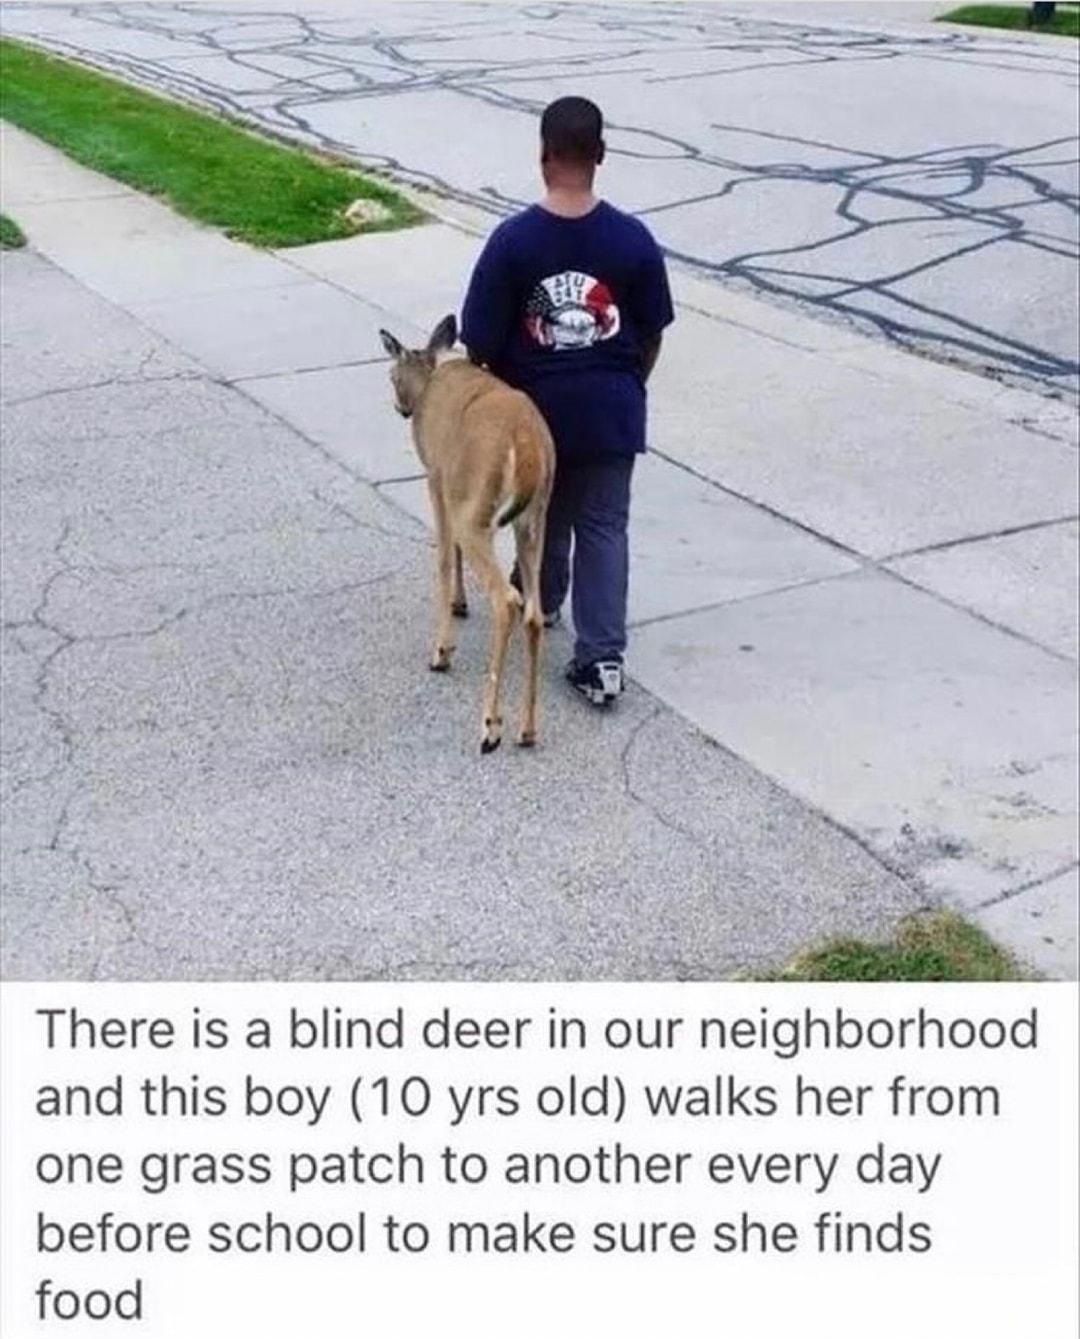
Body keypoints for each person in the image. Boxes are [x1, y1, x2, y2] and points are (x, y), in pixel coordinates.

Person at [460, 95, 674, 707]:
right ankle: (601, 659)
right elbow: (652, 331)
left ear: (543, 157)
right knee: (604, 525)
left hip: (536, 413)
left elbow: (478, 340)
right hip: (612, 406)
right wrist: (628, 383)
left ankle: (541, 601)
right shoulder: (632, 240)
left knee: (542, 514)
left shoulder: (513, 242)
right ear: (601, 156)